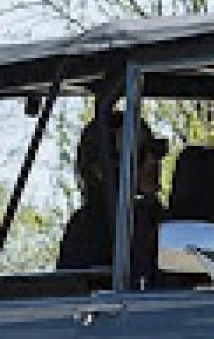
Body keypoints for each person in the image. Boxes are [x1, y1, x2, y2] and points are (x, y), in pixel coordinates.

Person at [57, 110, 168, 275]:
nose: (152, 161)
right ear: (98, 170)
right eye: (138, 154)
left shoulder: (169, 223)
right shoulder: (88, 228)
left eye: (156, 149)